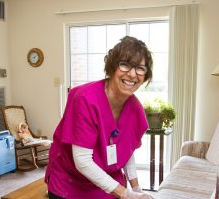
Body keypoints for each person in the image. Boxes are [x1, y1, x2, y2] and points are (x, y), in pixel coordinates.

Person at [45, 36, 154, 199]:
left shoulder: (135, 108)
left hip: (107, 181)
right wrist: (125, 194)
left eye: (140, 68)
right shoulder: (85, 99)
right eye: (124, 65)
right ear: (112, 67)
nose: (132, 74)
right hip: (70, 182)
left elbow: (127, 150)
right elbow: (82, 162)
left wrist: (136, 189)